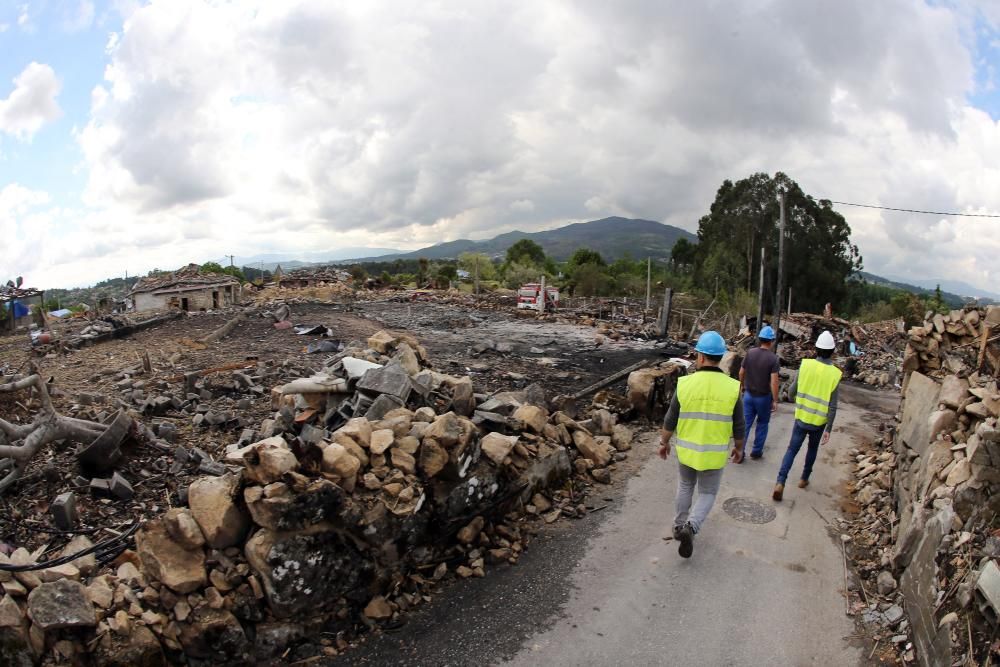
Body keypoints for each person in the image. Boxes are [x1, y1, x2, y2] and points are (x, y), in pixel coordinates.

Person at [659, 330, 745, 558]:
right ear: (720, 357)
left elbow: (670, 418)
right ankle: (692, 526)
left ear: (700, 356)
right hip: (713, 455)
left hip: (687, 450)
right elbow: (739, 423)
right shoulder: (732, 387)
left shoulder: (685, 384)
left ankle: (679, 526)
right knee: (707, 493)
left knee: (686, 485)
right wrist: (739, 447)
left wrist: (664, 442)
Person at [772, 330, 842, 501]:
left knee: (791, 450)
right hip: (819, 422)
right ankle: (804, 478)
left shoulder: (806, 366)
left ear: (816, 349)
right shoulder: (835, 374)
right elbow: (833, 406)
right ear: (832, 352)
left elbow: (791, 391)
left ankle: (780, 482)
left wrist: (794, 398)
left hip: (802, 418)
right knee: (812, 449)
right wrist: (829, 429)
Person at [739, 325, 780, 459]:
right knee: (762, 424)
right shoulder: (773, 359)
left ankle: (740, 452)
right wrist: (775, 399)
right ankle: (756, 451)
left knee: (745, 424)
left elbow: (741, 372)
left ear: (760, 339)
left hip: (749, 395)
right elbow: (774, 381)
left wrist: (742, 386)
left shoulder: (750, 353)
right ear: (772, 341)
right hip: (763, 397)